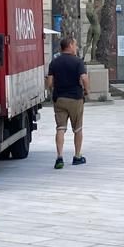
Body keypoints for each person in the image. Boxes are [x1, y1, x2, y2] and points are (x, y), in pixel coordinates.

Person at [47, 37, 89, 170]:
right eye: (75, 45)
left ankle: (59, 158)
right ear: (70, 45)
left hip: (59, 98)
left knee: (60, 128)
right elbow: (84, 78)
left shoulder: (54, 62)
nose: (76, 47)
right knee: (78, 128)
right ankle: (77, 156)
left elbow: (49, 82)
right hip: (75, 98)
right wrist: (87, 91)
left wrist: (52, 90)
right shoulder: (78, 62)